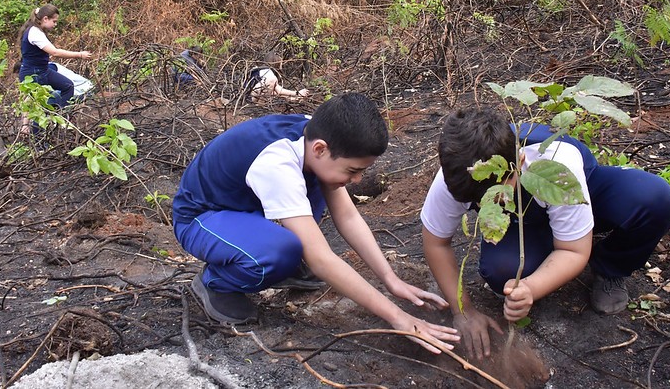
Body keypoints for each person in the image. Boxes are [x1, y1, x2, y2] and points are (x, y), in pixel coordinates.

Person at [172, 93, 460, 354]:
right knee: (279, 252)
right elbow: (322, 260)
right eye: (353, 170)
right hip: (201, 218)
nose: (358, 180)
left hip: (243, 208)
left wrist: (390, 279)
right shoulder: (278, 163)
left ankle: (282, 258)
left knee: (325, 183)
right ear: (321, 149)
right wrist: (398, 318)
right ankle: (216, 284)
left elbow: (347, 215)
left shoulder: (318, 135)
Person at [420, 107, 670, 359]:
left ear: (519, 163)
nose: (489, 204)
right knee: (504, 274)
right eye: (479, 202)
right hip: (524, 221)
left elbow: (574, 250)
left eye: (496, 194)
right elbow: (436, 243)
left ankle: (610, 266)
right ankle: (546, 244)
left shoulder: (554, 162)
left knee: (654, 200)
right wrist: (463, 311)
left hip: (584, 197)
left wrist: (532, 288)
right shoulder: (458, 176)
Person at [16, 4, 92, 108]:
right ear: (45, 19)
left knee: (68, 86)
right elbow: (55, 52)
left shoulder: (37, 31)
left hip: (42, 71)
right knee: (38, 103)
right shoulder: (35, 32)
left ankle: (55, 114)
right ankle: (50, 114)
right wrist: (79, 54)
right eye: (54, 21)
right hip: (33, 74)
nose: (55, 24)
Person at [245, 52, 310, 101]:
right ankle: (261, 104)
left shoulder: (261, 70)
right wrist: (298, 93)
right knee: (272, 82)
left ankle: (294, 99)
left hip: (248, 95)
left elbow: (277, 90)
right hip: (251, 97)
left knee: (274, 91)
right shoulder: (269, 74)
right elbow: (279, 90)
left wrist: (295, 96)